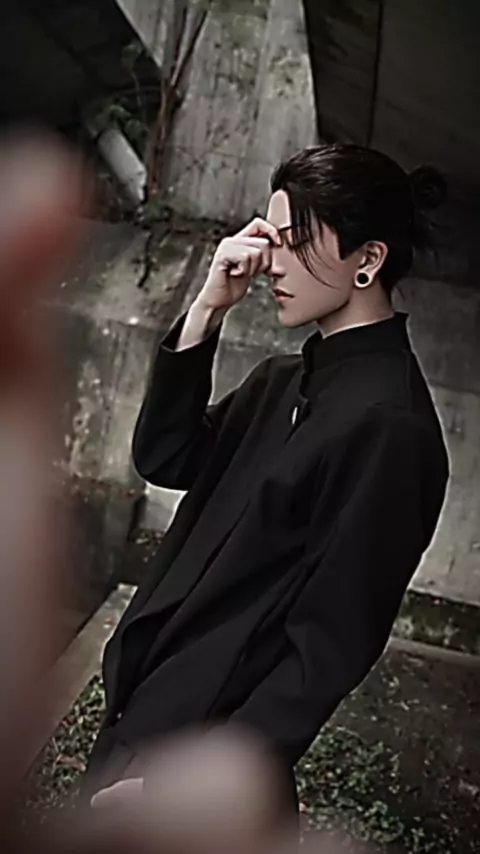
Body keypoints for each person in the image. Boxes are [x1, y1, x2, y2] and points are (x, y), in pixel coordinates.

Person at [84, 144, 449, 815]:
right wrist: (207, 309)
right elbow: (167, 458)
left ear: (368, 260)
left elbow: (329, 648)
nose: (273, 263)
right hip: (143, 708)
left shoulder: (390, 428)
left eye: (295, 241)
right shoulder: (283, 380)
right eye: (271, 238)